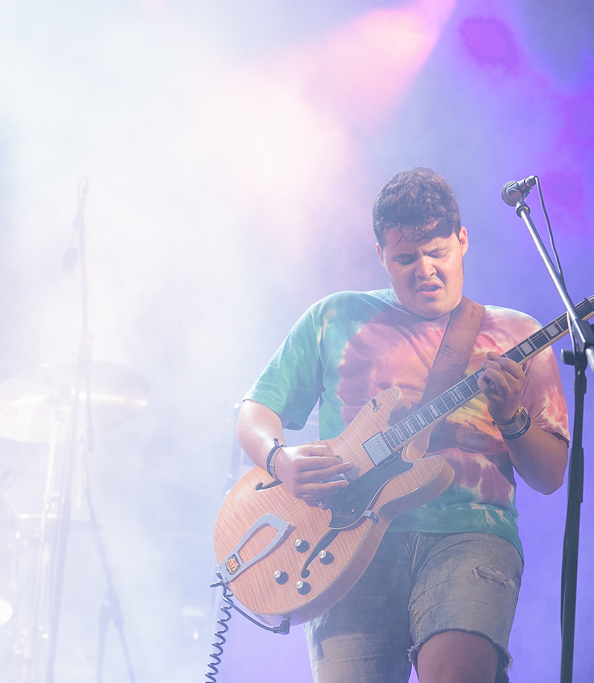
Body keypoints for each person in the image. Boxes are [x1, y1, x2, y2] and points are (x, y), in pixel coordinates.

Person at [236, 167, 570, 683]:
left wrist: (511, 417)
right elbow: (255, 411)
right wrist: (281, 460)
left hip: (469, 531)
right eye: (406, 258)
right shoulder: (336, 317)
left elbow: (550, 476)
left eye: (437, 252)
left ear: (462, 241)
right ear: (381, 256)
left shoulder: (515, 334)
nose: (425, 270)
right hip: (344, 542)